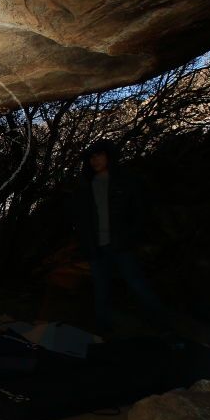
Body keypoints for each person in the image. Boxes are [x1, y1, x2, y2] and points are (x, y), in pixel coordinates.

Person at [72, 139, 172, 336]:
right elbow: (81, 218)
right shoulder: (86, 185)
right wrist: (86, 244)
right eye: (91, 157)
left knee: (138, 286)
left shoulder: (125, 181)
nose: (95, 160)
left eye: (99, 155)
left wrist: (129, 237)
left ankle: (165, 327)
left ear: (108, 157)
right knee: (101, 291)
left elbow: (139, 212)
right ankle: (103, 333)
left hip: (120, 246)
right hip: (96, 248)